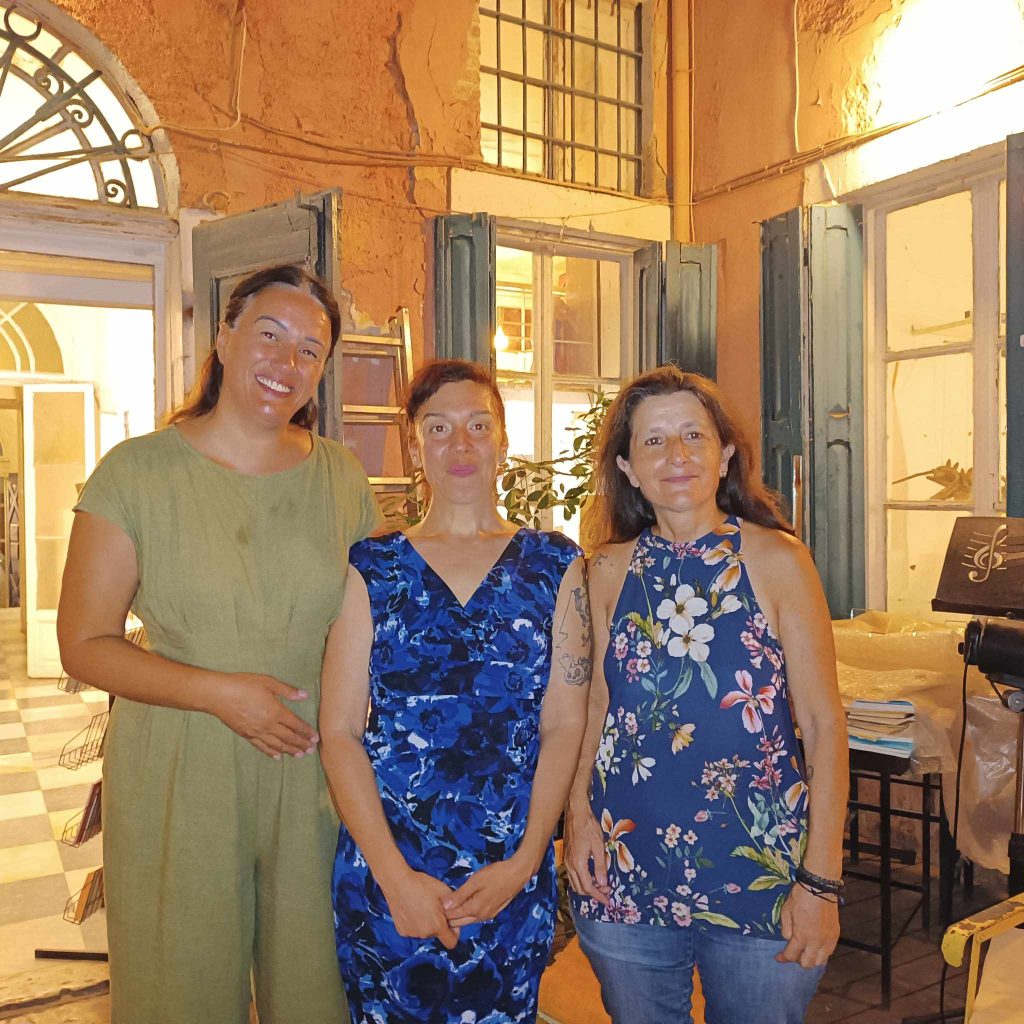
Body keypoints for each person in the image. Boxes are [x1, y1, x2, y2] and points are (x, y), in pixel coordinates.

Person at [57, 265, 380, 1024]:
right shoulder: (136, 473)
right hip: (178, 763)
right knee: (180, 988)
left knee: (318, 988)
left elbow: (366, 631)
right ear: (225, 338)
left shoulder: (340, 477)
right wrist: (220, 694)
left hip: (313, 768)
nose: (286, 362)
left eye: (310, 350)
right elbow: (84, 644)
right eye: (269, 335)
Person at [564, 366, 847, 1024]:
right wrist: (576, 818)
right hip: (624, 868)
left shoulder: (779, 561)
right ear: (628, 469)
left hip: (763, 874)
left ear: (725, 456)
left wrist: (821, 880)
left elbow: (824, 725)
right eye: (654, 440)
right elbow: (595, 710)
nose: (677, 454)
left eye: (693, 435)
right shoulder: (603, 570)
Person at [321, 359, 591, 1023]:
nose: (460, 444)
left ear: (503, 441)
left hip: (509, 871)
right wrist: (394, 879)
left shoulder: (555, 565)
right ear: (415, 448)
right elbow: (339, 732)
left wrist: (527, 859)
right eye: (438, 428)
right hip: (389, 875)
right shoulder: (372, 568)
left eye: (478, 425)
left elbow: (564, 723)